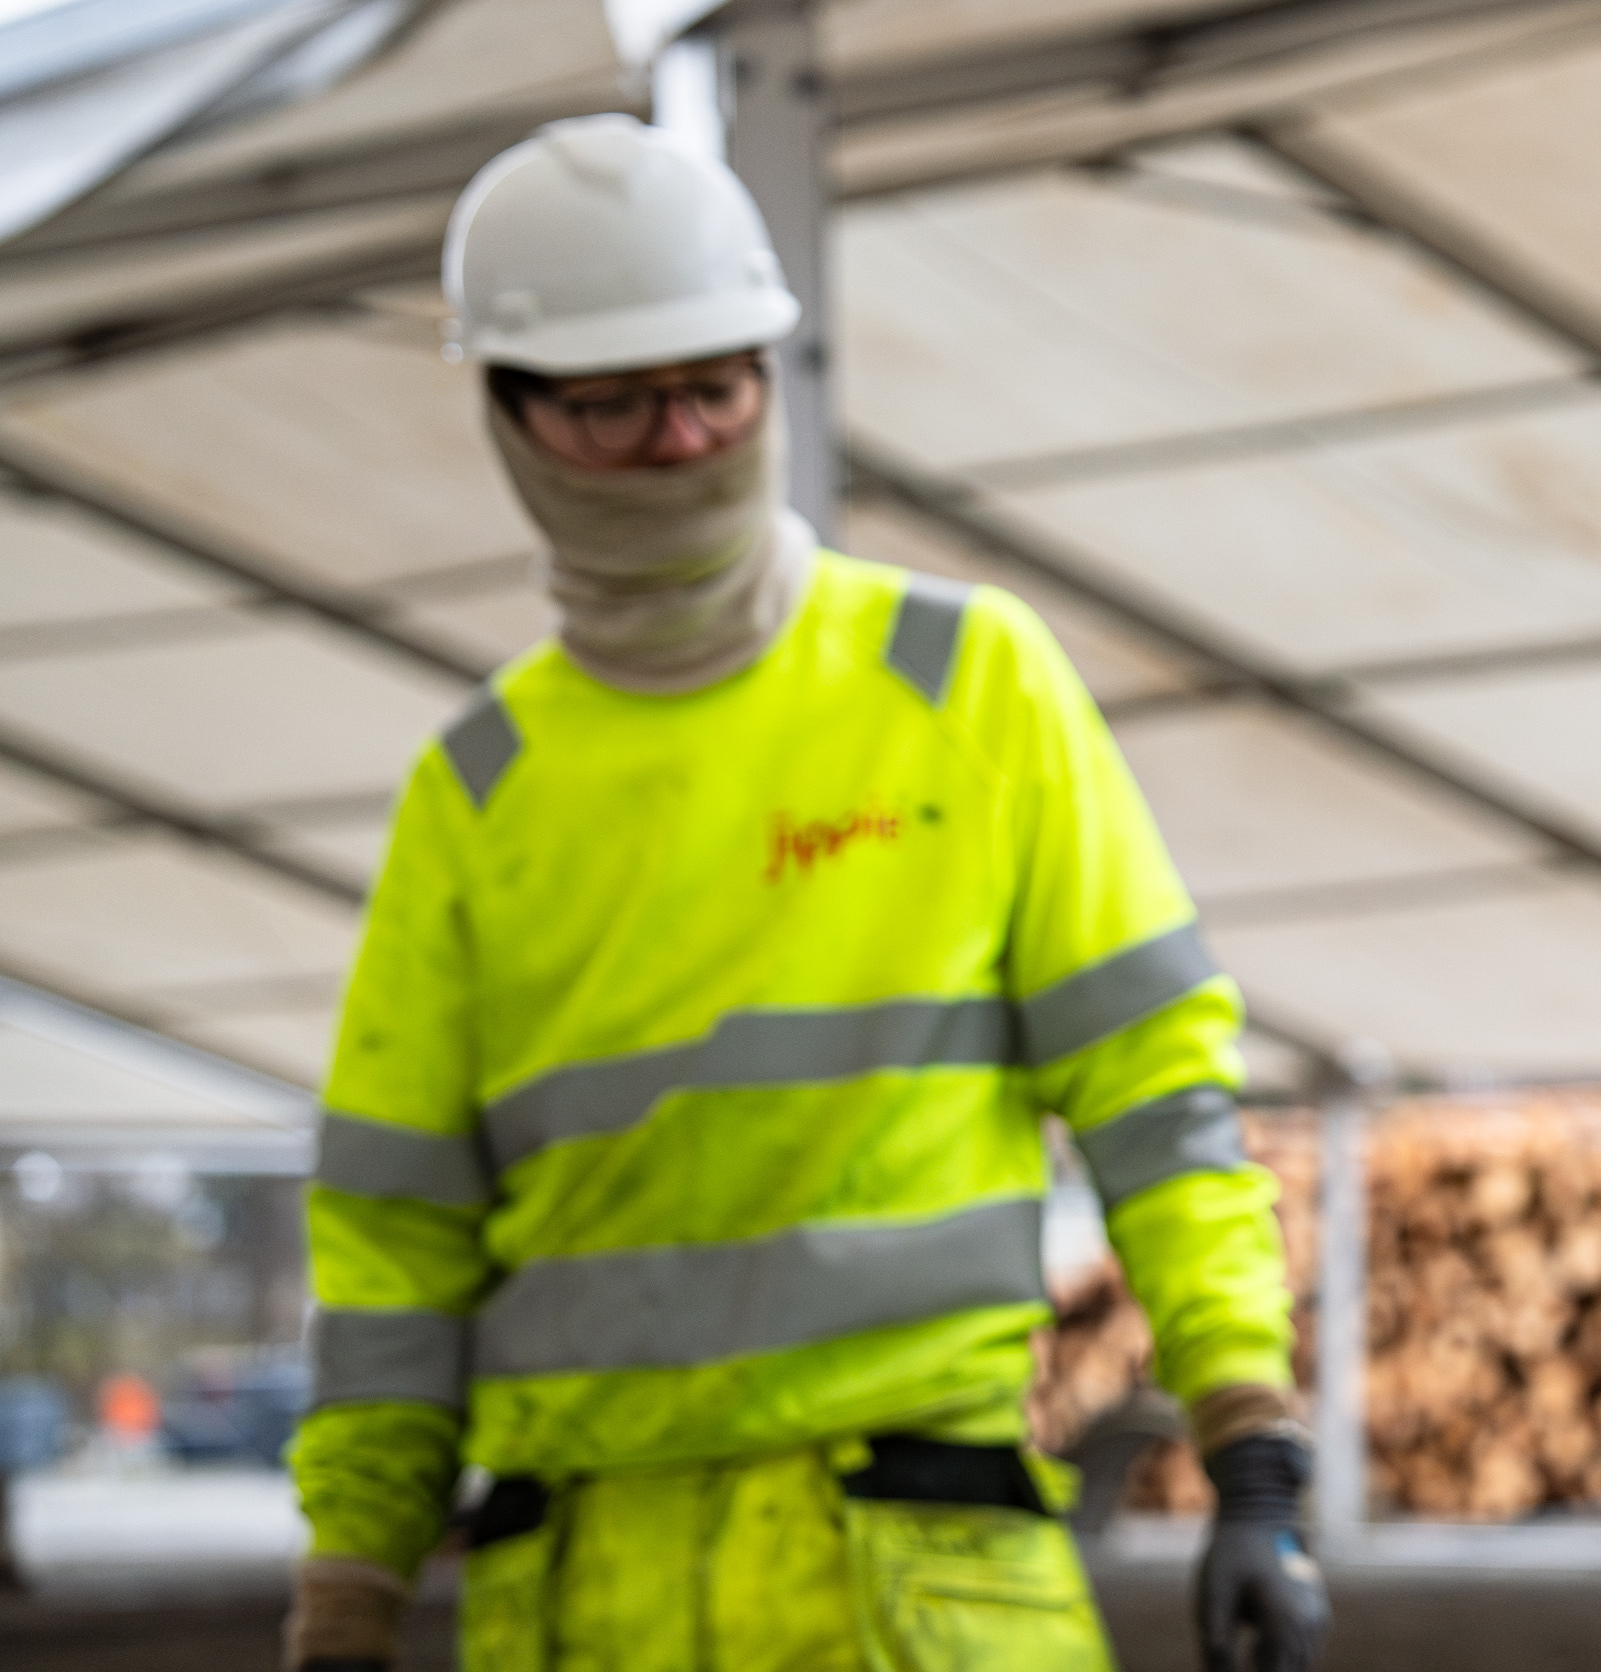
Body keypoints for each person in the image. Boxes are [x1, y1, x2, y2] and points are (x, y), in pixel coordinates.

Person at [280, 114, 1329, 1672]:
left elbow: (1157, 1098)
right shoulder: (482, 789)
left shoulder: (965, 683)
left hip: (918, 1586)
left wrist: (1251, 1447)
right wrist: (348, 1593)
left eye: (717, 385)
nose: (683, 439)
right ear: (509, 414)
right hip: (583, 1605)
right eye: (616, 404)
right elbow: (395, 1247)